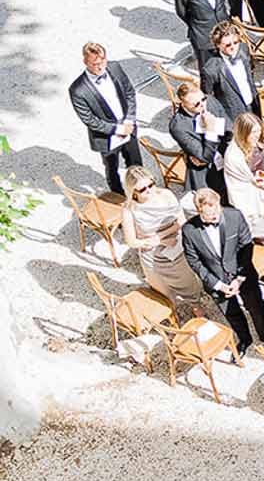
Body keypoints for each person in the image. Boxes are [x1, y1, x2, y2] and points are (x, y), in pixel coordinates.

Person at [181, 188, 264, 355]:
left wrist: (239, 278)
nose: (214, 216)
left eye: (216, 212)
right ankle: (245, 339)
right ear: (199, 211)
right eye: (209, 215)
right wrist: (218, 285)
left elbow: (246, 246)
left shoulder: (234, 216)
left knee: (257, 307)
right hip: (216, 280)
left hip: (242, 274)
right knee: (232, 313)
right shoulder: (189, 230)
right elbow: (194, 261)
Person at [119, 166, 201, 310]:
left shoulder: (166, 195)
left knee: (187, 281)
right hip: (151, 254)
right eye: (142, 189)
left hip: (175, 244)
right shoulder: (129, 209)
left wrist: (159, 237)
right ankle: (172, 312)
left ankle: (195, 305)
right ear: (133, 192)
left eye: (150, 185)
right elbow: (131, 241)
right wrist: (160, 241)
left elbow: (181, 221)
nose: (149, 190)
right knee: (162, 291)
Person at [69, 41, 142, 193]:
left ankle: (140, 190)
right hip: (106, 136)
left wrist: (129, 120)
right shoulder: (78, 89)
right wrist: (117, 129)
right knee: (112, 168)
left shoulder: (114, 67)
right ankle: (118, 197)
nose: (100, 66)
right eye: (95, 63)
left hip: (128, 127)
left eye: (102, 61)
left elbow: (129, 92)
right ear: (85, 62)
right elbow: (89, 120)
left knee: (136, 164)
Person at [222, 110, 264, 242]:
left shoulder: (261, 141)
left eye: (258, 131)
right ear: (243, 133)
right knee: (260, 231)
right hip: (251, 195)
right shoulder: (233, 155)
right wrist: (258, 181)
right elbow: (241, 181)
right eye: (253, 133)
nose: (257, 135)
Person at [201, 18, 260, 129]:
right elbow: (208, 98)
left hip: (253, 103)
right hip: (233, 113)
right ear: (218, 45)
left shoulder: (243, 49)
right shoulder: (211, 69)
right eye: (228, 45)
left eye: (235, 42)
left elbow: (249, 73)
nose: (233, 47)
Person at [169, 79, 222, 194]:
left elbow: (228, 128)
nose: (202, 105)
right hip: (206, 171)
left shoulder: (210, 101)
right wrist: (210, 131)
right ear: (183, 104)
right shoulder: (178, 126)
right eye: (196, 104)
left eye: (203, 99)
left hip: (225, 154)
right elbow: (205, 157)